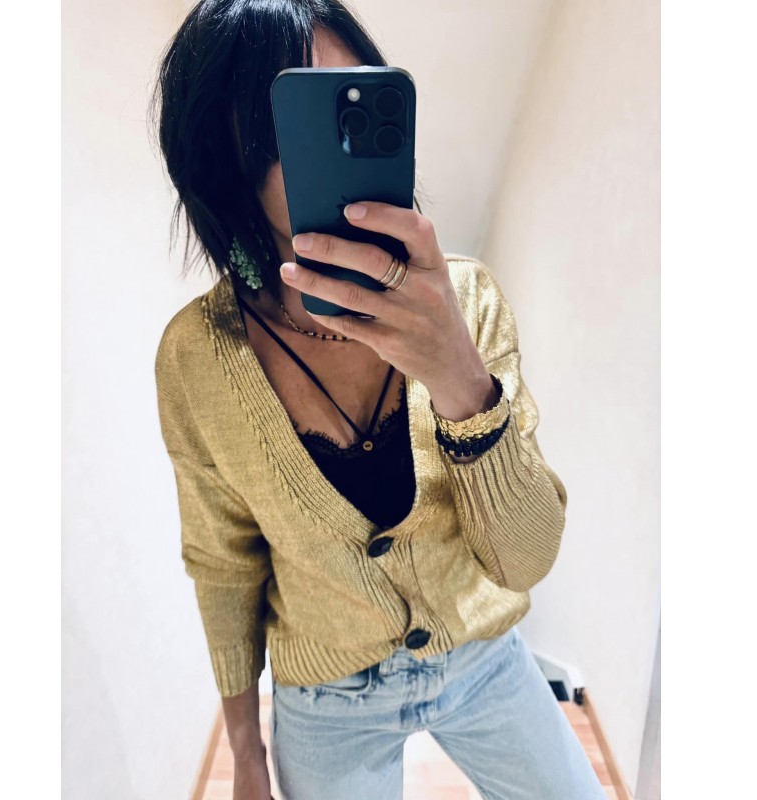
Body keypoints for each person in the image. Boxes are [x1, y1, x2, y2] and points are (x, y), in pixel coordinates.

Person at [151, 2, 607, 799]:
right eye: (296, 124)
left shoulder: (467, 302)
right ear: (224, 159)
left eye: (352, 107)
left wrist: (461, 379)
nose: (337, 149)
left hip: (481, 654)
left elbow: (527, 558)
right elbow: (223, 565)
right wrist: (246, 753)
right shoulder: (199, 358)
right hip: (326, 693)